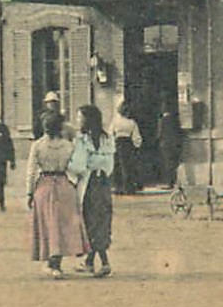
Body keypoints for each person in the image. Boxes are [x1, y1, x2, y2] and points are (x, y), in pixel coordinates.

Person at [25, 107, 87, 279]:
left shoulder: (37, 146)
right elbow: (78, 169)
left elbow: (30, 171)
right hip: (64, 185)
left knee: (48, 224)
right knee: (61, 225)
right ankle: (56, 263)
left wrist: (29, 193)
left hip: (44, 185)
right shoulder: (69, 146)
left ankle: (51, 263)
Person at [67, 104, 117, 277]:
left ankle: (104, 262)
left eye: (80, 117)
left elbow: (78, 166)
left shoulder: (81, 140)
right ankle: (89, 262)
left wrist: (68, 165)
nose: (77, 120)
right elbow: (109, 166)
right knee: (101, 221)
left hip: (89, 185)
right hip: (103, 183)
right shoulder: (107, 138)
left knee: (90, 222)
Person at [109, 98, 143, 194]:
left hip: (118, 143)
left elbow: (110, 133)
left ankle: (118, 187)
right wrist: (137, 145)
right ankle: (129, 188)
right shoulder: (131, 122)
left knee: (118, 166)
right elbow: (136, 136)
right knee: (128, 166)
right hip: (128, 144)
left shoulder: (115, 121)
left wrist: (111, 145)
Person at [157, 107, 184, 189]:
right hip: (176, 144)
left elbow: (159, 134)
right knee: (175, 163)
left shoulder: (162, 121)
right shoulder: (176, 120)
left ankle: (170, 182)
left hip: (166, 144)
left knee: (168, 163)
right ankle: (177, 181)